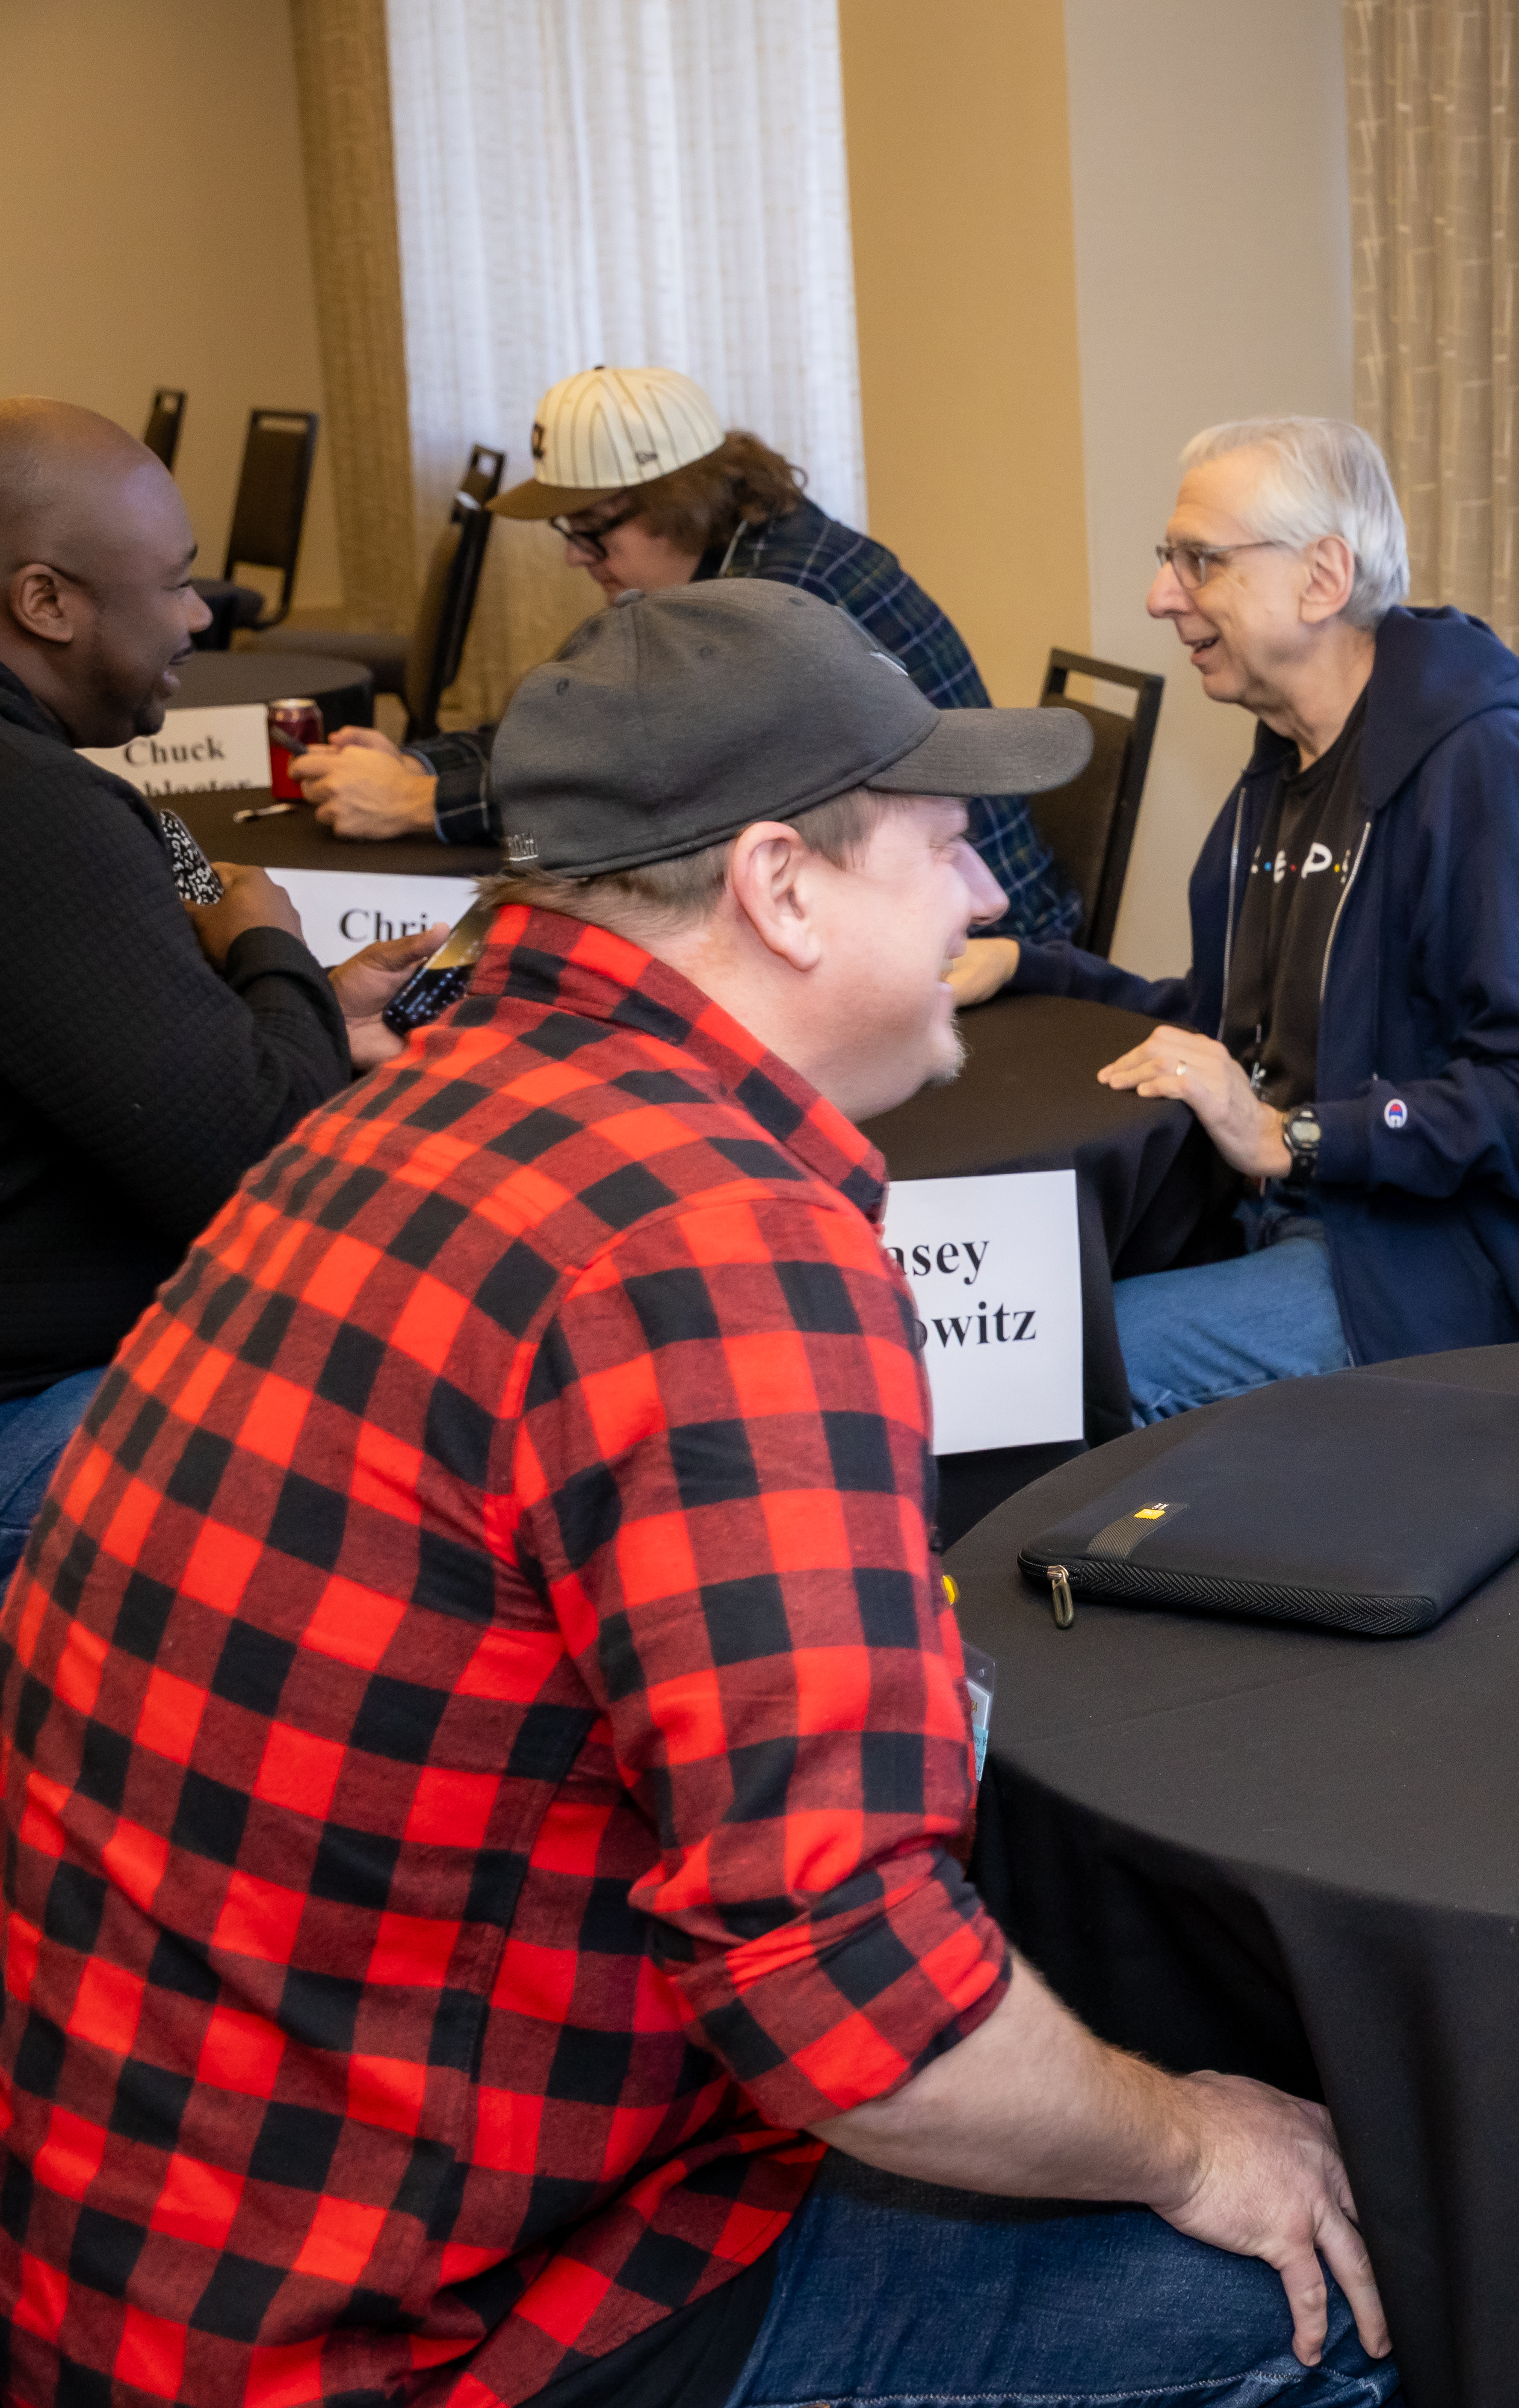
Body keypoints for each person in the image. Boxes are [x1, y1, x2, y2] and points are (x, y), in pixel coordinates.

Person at [0, 580, 1394, 2408]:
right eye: (950, 846)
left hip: (148, 2239)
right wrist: (1202, 2143)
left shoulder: (393, 1116)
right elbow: (862, 2012)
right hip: (391, 2331)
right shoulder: (709, 1244)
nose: (988, 898)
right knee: (1333, 2281)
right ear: (781, 887)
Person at [950, 415, 1519, 1417]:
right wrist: (1032, 968)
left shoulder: (1492, 780)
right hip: (1306, 1226)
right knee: (995, 1313)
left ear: (1323, 579)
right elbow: (1234, 1025)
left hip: (1447, 1288)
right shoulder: (1285, 768)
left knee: (1025, 1371)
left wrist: (1301, 1137)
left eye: (1201, 561)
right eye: (1170, 560)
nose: (1163, 596)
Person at [0, 396, 435, 1581]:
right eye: (178, 584)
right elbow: (266, 1172)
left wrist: (298, 1008)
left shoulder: (73, 796)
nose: (201, 617)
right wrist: (271, 949)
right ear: (45, 603)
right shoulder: (47, 816)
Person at [289, 363, 1086, 946]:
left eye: (592, 529)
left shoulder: (775, 608)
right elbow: (579, 732)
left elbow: (624, 791)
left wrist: (416, 806)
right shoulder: (729, 568)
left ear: (680, 501)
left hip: (978, 948)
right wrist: (418, 769)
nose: (577, 557)